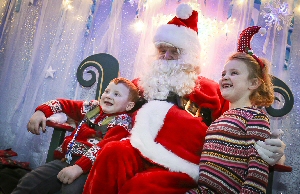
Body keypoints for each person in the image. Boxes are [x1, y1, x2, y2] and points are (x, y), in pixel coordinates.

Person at [82, 5, 285, 194]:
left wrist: (276, 154)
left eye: (175, 51)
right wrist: (53, 110)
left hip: (180, 162)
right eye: (162, 51)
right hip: (136, 148)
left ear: (189, 56)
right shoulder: (142, 83)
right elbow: (108, 109)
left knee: (143, 186)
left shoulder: (210, 89)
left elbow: (241, 126)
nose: (167, 57)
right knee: (113, 151)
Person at [12, 77, 140, 194]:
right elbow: (63, 104)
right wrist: (41, 112)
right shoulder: (92, 107)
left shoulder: (122, 122)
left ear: (129, 105)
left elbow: (103, 147)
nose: (108, 96)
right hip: (67, 160)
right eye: (107, 91)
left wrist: (79, 168)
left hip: (90, 168)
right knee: (30, 181)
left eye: (116, 94)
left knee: (71, 191)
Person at [187, 26, 274, 192]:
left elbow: (258, 172)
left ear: (254, 83)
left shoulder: (255, 118)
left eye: (234, 73)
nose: (225, 77)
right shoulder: (221, 118)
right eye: (223, 73)